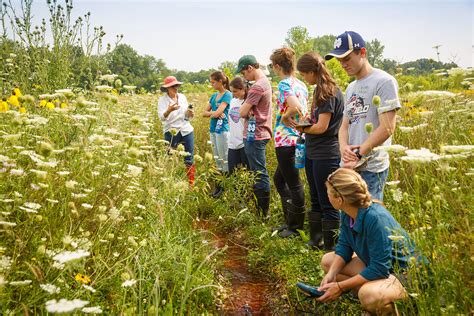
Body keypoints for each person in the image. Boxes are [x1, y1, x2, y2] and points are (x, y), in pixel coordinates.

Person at [317, 168, 422, 314]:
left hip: (406, 276)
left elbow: (380, 269)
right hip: (382, 268)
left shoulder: (375, 218)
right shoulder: (348, 212)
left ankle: (405, 306)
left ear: (339, 199)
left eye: (328, 192)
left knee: (368, 295)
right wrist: (332, 274)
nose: (326, 195)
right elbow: (345, 246)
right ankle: (372, 298)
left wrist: (341, 286)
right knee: (328, 262)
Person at [325, 31, 401, 200]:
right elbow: (344, 125)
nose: (342, 64)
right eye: (339, 60)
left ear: (363, 52)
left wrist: (359, 153)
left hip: (371, 167)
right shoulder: (351, 87)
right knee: (347, 218)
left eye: (346, 58)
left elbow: (388, 127)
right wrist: (343, 148)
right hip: (349, 165)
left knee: (367, 219)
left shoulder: (384, 81)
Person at [296, 52, 344, 249]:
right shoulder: (318, 91)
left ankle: (332, 247)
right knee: (315, 196)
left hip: (327, 153)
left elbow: (322, 127)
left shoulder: (328, 92)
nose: (304, 79)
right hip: (313, 151)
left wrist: (302, 128)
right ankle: (316, 240)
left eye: (304, 74)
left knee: (328, 200)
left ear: (312, 71)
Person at [269, 47, 308, 238]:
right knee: (279, 179)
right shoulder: (301, 84)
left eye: (272, 66)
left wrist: (284, 117)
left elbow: (295, 107)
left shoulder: (284, 84)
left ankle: (295, 228)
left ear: (277, 66)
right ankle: (290, 221)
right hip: (298, 136)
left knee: (293, 183)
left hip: (285, 138)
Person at [236, 55, 273, 217]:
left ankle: (263, 213)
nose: (244, 77)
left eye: (244, 73)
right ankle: (260, 209)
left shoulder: (258, 86)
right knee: (257, 171)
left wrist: (244, 108)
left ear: (250, 68)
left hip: (256, 134)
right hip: (260, 132)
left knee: (259, 172)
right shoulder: (265, 82)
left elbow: (242, 112)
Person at [157, 76, 195, 186]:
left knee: (189, 157)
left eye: (177, 85)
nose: (176, 88)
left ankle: (191, 184)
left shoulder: (182, 97)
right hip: (171, 131)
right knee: (170, 157)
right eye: (173, 86)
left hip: (186, 130)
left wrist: (190, 114)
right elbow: (162, 117)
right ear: (167, 88)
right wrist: (169, 110)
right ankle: (170, 183)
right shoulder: (162, 100)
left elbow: (186, 116)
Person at [203, 71, 232, 198]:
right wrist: (214, 113)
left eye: (213, 82)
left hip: (223, 130)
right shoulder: (214, 96)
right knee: (217, 158)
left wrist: (214, 113)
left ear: (221, 81)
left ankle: (225, 188)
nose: (212, 84)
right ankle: (218, 187)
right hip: (213, 129)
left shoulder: (228, 95)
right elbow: (205, 113)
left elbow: (216, 113)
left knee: (224, 158)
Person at [228, 77, 250, 174]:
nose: (233, 94)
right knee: (233, 173)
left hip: (244, 142)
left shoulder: (248, 102)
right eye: (232, 91)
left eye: (235, 91)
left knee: (247, 172)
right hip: (232, 142)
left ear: (243, 89)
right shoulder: (233, 101)